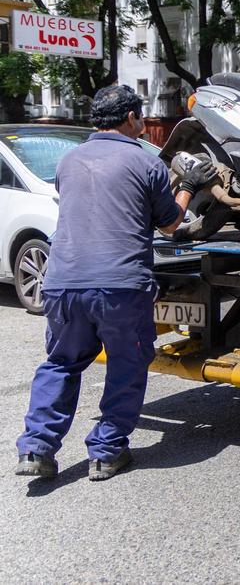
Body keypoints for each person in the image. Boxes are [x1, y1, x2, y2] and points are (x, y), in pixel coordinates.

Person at [14, 84, 217, 481]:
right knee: (126, 364)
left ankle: (37, 449)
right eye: (140, 115)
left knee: (61, 363)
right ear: (130, 119)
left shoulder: (68, 161)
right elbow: (170, 223)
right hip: (119, 284)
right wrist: (188, 187)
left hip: (62, 282)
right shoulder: (145, 163)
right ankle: (107, 452)